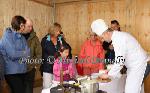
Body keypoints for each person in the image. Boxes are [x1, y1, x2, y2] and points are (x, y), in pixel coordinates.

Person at [91, 19, 149, 93]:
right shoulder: (118, 37)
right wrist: (109, 71)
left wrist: (108, 75)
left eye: (102, 38)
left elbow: (120, 61)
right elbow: (120, 59)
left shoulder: (119, 39)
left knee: (130, 91)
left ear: (106, 33)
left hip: (139, 65)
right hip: (136, 65)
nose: (103, 40)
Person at [0, 15, 30, 93]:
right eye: (22, 25)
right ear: (18, 24)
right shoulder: (7, 36)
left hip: (22, 70)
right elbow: (12, 54)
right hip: (11, 72)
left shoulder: (22, 37)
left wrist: (22, 53)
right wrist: (23, 53)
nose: (24, 28)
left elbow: (28, 53)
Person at [22, 18, 42, 93]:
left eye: (31, 26)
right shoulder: (18, 36)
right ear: (23, 26)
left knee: (29, 89)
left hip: (31, 68)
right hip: (18, 69)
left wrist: (36, 65)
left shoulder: (35, 38)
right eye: (28, 26)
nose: (31, 28)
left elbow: (39, 53)